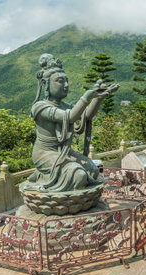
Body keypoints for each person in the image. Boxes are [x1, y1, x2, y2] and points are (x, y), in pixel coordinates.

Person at [25, 53, 119, 192]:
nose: (66, 85)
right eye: (60, 81)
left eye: (66, 81)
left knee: (92, 170)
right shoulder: (40, 107)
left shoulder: (65, 105)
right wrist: (86, 96)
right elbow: (70, 117)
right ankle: (48, 183)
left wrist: (99, 97)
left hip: (64, 151)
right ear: (46, 84)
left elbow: (86, 115)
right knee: (79, 175)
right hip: (45, 153)